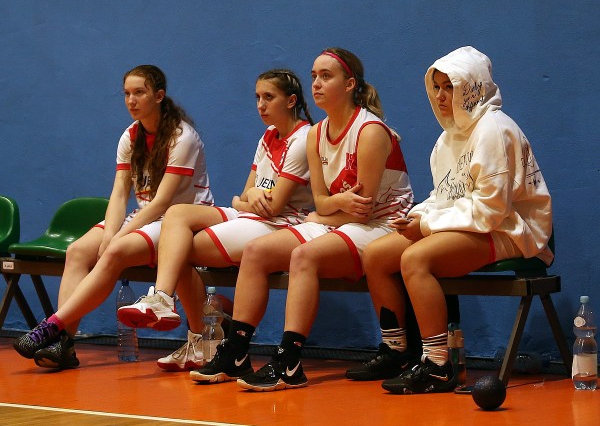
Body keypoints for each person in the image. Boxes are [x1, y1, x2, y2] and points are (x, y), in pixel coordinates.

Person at [190, 47, 413, 391]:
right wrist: (329, 206)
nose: (317, 84)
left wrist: (324, 209)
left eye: (326, 76)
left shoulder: (370, 131)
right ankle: (235, 352)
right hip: (337, 222)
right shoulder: (315, 133)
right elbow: (322, 201)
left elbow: (363, 210)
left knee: (303, 256)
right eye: (313, 77)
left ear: (350, 84)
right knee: (256, 252)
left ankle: (289, 361)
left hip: (382, 225)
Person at [360, 46, 553, 395]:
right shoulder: (448, 137)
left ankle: (437, 365)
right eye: (436, 87)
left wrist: (426, 227)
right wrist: (418, 215)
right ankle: (396, 351)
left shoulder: (494, 129)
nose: (439, 96)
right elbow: (444, 196)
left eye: (449, 87)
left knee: (415, 259)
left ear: (472, 87)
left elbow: (491, 210)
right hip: (477, 224)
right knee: (375, 255)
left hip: (512, 230)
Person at [13, 65, 215, 370]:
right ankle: (64, 344)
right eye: (127, 94)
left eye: (139, 92)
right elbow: (120, 193)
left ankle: (51, 326)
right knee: (78, 250)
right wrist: (109, 233)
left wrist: (117, 238)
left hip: (179, 220)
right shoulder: (130, 136)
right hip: (146, 216)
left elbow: (162, 203)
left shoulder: (181, 136)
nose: (131, 100)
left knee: (116, 251)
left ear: (159, 96)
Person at [117, 69, 315, 372]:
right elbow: (243, 196)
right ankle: (166, 302)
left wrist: (250, 199)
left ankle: (199, 332)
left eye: (269, 97)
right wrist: (248, 199)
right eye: (257, 97)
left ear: (290, 101)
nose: (260, 105)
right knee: (177, 215)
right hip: (251, 214)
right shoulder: (268, 136)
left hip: (284, 223)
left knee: (178, 251)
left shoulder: (302, 138)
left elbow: (274, 206)